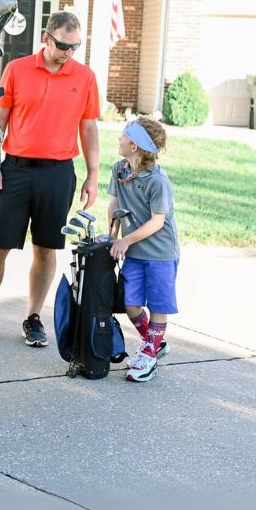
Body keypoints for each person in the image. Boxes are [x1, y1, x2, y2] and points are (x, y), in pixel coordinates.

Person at [0, 11, 102, 347]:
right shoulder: (18, 69)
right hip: (16, 170)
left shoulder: (85, 77)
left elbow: (88, 127)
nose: (68, 52)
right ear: (46, 38)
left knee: (46, 248)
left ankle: (34, 317)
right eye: (62, 45)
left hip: (58, 173)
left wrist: (93, 174)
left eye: (74, 46)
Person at [108, 118, 179, 382]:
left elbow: (157, 221)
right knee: (130, 304)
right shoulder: (119, 169)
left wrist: (125, 241)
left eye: (123, 136)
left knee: (158, 304)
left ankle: (149, 353)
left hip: (160, 253)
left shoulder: (158, 181)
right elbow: (114, 205)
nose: (119, 139)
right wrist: (112, 237)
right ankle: (155, 343)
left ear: (135, 145)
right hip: (135, 252)